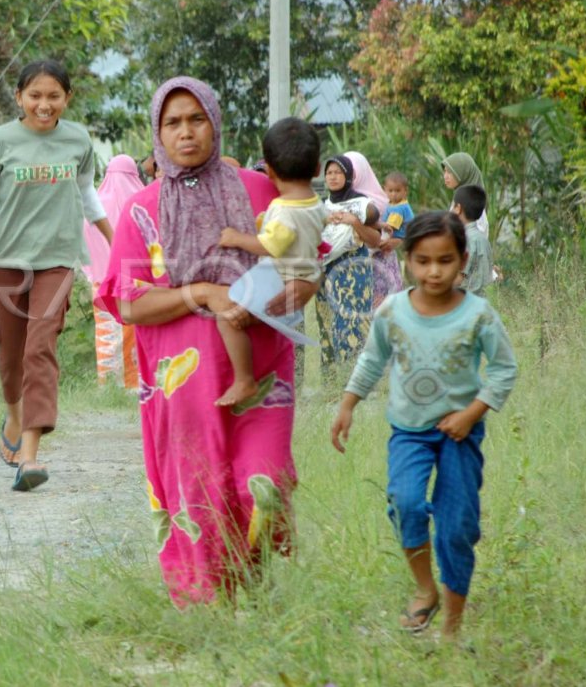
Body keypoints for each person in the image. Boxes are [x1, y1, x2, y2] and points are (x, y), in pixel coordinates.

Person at [96, 77, 318, 604]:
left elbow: (305, 266)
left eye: (196, 119)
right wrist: (201, 292)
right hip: (182, 389)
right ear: (157, 131)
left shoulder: (260, 190)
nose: (186, 132)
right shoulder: (142, 209)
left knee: (262, 484)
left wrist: (284, 296)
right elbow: (127, 303)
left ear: (215, 122)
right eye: (172, 122)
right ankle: (207, 605)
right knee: (198, 494)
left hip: (261, 377)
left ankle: (254, 584)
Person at [331, 211, 517, 639]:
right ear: (407, 261)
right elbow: (372, 359)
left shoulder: (478, 315)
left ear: (463, 260)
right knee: (406, 503)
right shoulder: (393, 311)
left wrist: (472, 413)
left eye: (446, 260)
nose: (434, 271)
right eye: (424, 261)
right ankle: (424, 590)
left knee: (457, 527)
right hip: (409, 433)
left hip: (460, 435)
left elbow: (505, 370)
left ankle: (452, 626)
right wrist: (347, 404)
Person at [0, 59, 113, 490]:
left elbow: (85, 193)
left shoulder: (78, 139)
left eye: (54, 96)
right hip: (7, 260)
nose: (44, 105)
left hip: (58, 259)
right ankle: (13, 412)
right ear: (19, 97)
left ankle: (30, 456)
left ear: (67, 98)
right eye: (35, 96)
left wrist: (114, 239)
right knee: (9, 358)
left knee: (39, 348)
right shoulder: (0, 140)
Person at [216, 117, 325, 406]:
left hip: (279, 277)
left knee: (227, 318)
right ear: (317, 168)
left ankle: (244, 380)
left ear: (268, 169)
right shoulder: (316, 202)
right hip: (303, 275)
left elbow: (269, 246)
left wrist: (236, 238)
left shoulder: (284, 209)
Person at [83, 154, 145, 389]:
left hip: (102, 282)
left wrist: (93, 272)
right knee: (133, 332)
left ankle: (108, 383)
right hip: (136, 283)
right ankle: (134, 383)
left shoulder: (96, 205)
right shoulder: (141, 199)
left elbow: (84, 239)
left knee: (107, 334)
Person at [316, 155, 381, 373]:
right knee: (326, 324)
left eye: (338, 172)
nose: (333, 177)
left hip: (353, 269)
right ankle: (332, 382)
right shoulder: (323, 206)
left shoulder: (361, 204)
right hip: (325, 272)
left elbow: (375, 240)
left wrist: (354, 222)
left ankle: (353, 378)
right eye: (329, 173)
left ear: (348, 176)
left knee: (352, 323)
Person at [344, 151, 403, 309]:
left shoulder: (380, 200)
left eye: (352, 172)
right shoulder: (344, 201)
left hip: (381, 264)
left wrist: (393, 241)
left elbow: (398, 232)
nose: (348, 176)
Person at [453, 185, 492, 296]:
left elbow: (460, 277)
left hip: (468, 302)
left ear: (458, 208)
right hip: (486, 300)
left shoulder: (465, 240)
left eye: (453, 207)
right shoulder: (484, 240)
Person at [442, 152, 489, 236]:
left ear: (463, 173)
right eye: (445, 171)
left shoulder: (474, 205)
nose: (445, 176)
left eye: (449, 172)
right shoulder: (459, 199)